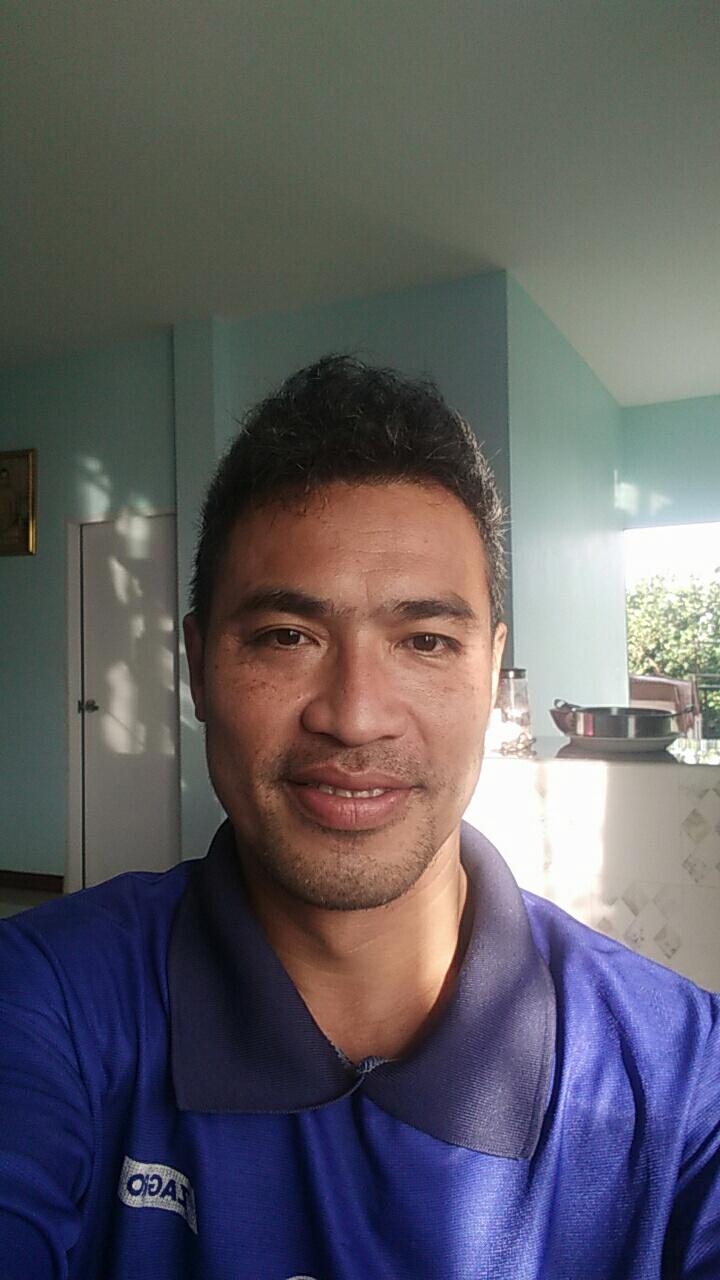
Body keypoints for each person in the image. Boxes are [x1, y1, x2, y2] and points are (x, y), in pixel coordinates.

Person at [0, 355, 718, 1280]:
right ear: (198, 669)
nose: (355, 714)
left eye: (426, 641)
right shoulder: (43, 1003)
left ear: (491, 673)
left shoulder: (680, 1078)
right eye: (286, 636)